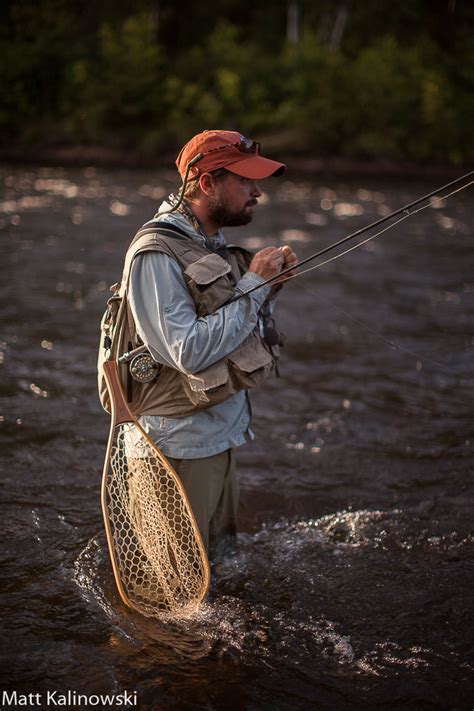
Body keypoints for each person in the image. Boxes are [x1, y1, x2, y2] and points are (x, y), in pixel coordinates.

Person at [122, 129, 297, 556]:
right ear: (206, 184)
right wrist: (254, 284)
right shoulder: (155, 253)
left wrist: (266, 289)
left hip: (217, 437)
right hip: (177, 450)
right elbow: (188, 351)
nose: (257, 191)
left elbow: (227, 326)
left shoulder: (207, 242)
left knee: (219, 577)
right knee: (169, 601)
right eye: (245, 181)